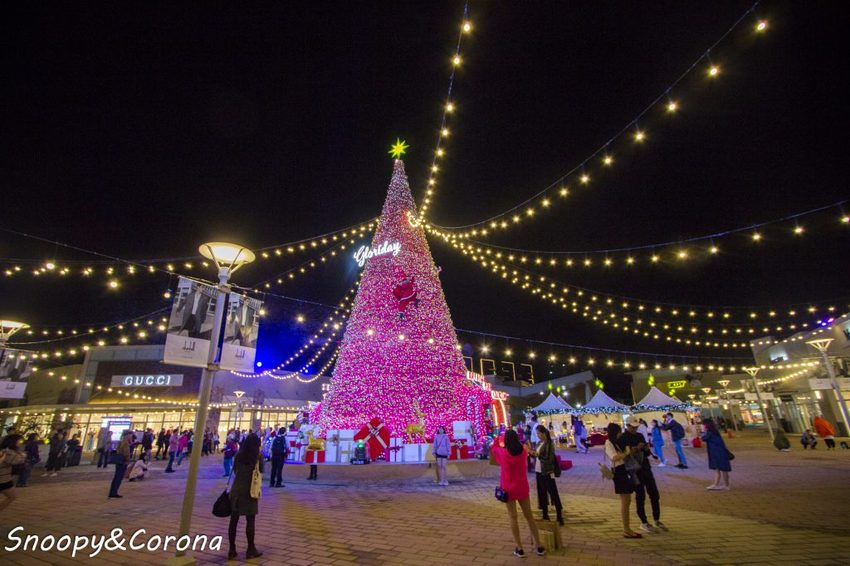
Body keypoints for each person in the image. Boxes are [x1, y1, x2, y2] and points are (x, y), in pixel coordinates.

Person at [491, 429, 545, 557]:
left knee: (513, 517)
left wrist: (498, 438)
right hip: (522, 488)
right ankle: (539, 546)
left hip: (508, 490)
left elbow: (493, 447)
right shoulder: (523, 452)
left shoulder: (503, 453)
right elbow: (523, 446)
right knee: (529, 517)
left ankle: (520, 548)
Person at [619, 422, 666, 534]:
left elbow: (647, 452)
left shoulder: (639, 435)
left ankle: (657, 519)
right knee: (640, 495)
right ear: (627, 426)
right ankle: (644, 522)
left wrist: (645, 448)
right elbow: (624, 455)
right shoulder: (623, 438)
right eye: (632, 427)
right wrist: (634, 449)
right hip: (634, 470)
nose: (634, 429)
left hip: (645, 467)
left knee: (654, 493)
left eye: (636, 427)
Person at [228, 433, 263, 560]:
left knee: (233, 521)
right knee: (250, 520)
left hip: (236, 490)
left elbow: (235, 470)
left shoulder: (239, 455)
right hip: (250, 491)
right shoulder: (258, 457)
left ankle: (232, 549)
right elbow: (261, 472)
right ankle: (250, 549)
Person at [605, 423, 642, 539]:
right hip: (619, 472)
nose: (620, 434)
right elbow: (614, 457)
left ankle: (627, 529)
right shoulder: (608, 443)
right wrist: (626, 452)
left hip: (623, 470)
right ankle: (627, 530)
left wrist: (630, 451)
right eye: (618, 432)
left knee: (627, 500)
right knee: (625, 501)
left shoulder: (615, 442)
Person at [532, 424, 563, 525]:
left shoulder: (549, 443)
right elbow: (537, 456)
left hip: (547, 471)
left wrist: (535, 454)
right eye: (537, 433)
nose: (538, 435)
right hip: (538, 471)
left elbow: (548, 459)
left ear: (544, 433)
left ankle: (559, 515)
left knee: (553, 493)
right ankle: (545, 515)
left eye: (539, 433)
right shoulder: (539, 443)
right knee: (542, 493)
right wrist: (532, 453)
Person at [701, 418, 731, 491]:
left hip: (716, 452)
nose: (703, 426)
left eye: (704, 425)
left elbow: (703, 438)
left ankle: (719, 485)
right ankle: (724, 485)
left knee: (718, 469)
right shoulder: (715, 431)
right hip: (721, 452)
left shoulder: (710, 432)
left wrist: (703, 432)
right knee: (723, 469)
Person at [0, 434, 25, 512]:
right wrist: (22, 454)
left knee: (12, 496)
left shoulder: (6, 451)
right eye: (19, 441)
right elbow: (18, 460)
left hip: (5, 478)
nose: (20, 443)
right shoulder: (6, 452)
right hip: (3, 480)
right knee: (12, 496)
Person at [108, 431, 132, 498]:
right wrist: (128, 460)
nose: (131, 437)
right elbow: (126, 453)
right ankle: (113, 493)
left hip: (119, 461)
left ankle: (112, 492)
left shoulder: (121, 441)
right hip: (123, 461)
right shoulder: (125, 443)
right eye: (130, 435)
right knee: (119, 477)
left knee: (116, 477)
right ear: (127, 435)